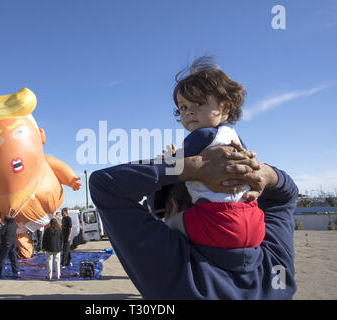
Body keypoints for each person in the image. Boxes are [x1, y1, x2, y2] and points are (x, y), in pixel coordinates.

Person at [89, 142, 299, 299]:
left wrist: (188, 166)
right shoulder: (277, 268)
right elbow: (285, 195)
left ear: (174, 207)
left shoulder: (173, 271)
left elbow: (105, 185)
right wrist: (255, 170)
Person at [161, 56, 264, 249]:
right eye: (183, 107)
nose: (189, 111)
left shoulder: (202, 135)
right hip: (253, 217)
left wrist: (169, 158)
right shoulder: (234, 137)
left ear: (225, 106)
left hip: (217, 220)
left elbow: (177, 166)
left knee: (170, 223)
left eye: (198, 103)